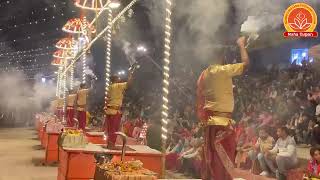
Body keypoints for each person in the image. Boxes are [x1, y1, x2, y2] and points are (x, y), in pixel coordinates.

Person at [196, 36, 249, 180]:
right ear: (220, 57)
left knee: (212, 158)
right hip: (222, 124)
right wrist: (241, 45)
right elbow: (245, 63)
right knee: (223, 160)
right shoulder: (221, 70)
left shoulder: (204, 74)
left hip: (211, 123)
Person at [104, 71, 133, 149]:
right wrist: (130, 74)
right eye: (118, 78)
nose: (119, 79)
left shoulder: (110, 87)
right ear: (115, 79)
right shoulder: (118, 85)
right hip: (115, 111)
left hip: (109, 110)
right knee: (114, 129)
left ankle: (109, 143)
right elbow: (129, 83)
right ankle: (111, 145)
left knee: (110, 128)